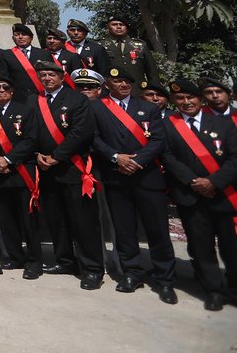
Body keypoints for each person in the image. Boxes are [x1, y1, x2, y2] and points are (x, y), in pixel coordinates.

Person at [91, 65, 177, 303]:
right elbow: (94, 138)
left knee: (157, 230)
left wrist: (136, 161)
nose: (123, 85)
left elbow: (158, 140)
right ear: (107, 84)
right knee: (125, 229)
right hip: (116, 176)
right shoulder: (96, 107)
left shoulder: (148, 107)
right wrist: (116, 157)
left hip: (146, 176)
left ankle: (165, 279)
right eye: (118, 82)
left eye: (128, 81)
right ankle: (132, 273)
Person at [161, 80, 237, 312]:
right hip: (190, 195)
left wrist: (213, 181)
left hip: (223, 193)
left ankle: (233, 288)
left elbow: (235, 157)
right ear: (175, 102)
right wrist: (193, 181)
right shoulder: (168, 124)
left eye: (191, 98)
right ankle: (213, 290)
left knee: (231, 246)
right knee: (201, 246)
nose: (186, 103)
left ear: (200, 99)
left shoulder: (223, 123)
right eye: (181, 99)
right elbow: (167, 155)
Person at [32, 59, 105, 289]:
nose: (47, 79)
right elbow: (29, 131)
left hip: (72, 169)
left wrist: (56, 156)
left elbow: (80, 133)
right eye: (43, 75)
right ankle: (64, 260)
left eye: (51, 75)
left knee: (83, 221)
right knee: (57, 219)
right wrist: (36, 154)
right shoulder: (36, 101)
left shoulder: (78, 100)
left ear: (62, 77)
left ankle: (92, 268)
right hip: (45, 170)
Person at [0, 75, 42, 279]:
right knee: (6, 219)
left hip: (21, 171)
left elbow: (31, 140)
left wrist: (8, 160)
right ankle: (16, 257)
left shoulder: (25, 111)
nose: (0, 91)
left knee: (28, 220)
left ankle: (34, 261)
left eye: (5, 87)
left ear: (12, 91)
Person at [100, 16, 160, 89]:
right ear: (108, 28)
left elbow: (152, 71)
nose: (118, 27)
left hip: (136, 90)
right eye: (114, 24)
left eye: (122, 25)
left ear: (127, 28)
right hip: (109, 90)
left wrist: (154, 89)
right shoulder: (100, 45)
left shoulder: (140, 45)